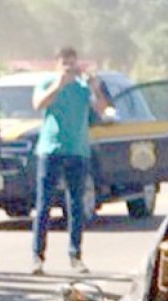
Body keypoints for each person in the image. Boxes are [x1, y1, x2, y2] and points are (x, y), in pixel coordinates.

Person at [30, 46, 110, 275]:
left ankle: (75, 255)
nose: (68, 66)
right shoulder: (47, 82)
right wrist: (58, 85)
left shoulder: (83, 88)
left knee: (75, 205)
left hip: (77, 150)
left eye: (71, 62)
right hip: (50, 149)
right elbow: (38, 104)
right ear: (57, 64)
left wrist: (96, 88)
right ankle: (37, 256)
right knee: (44, 204)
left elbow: (102, 110)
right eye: (64, 62)